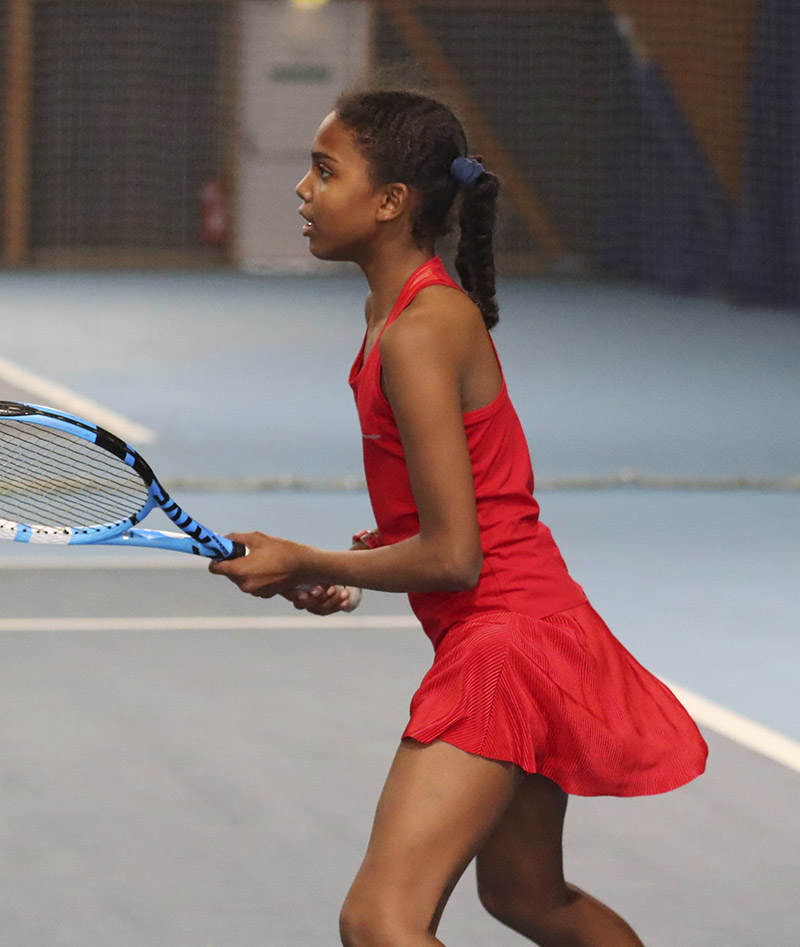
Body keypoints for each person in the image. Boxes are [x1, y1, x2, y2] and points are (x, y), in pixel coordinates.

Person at [210, 89, 708, 947]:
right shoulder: (398, 313)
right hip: (533, 620)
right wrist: (355, 557)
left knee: (380, 920)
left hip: (503, 644)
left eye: (325, 170)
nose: (302, 188)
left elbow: (453, 557)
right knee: (527, 895)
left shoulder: (419, 330)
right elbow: (460, 504)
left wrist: (306, 559)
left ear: (391, 201)